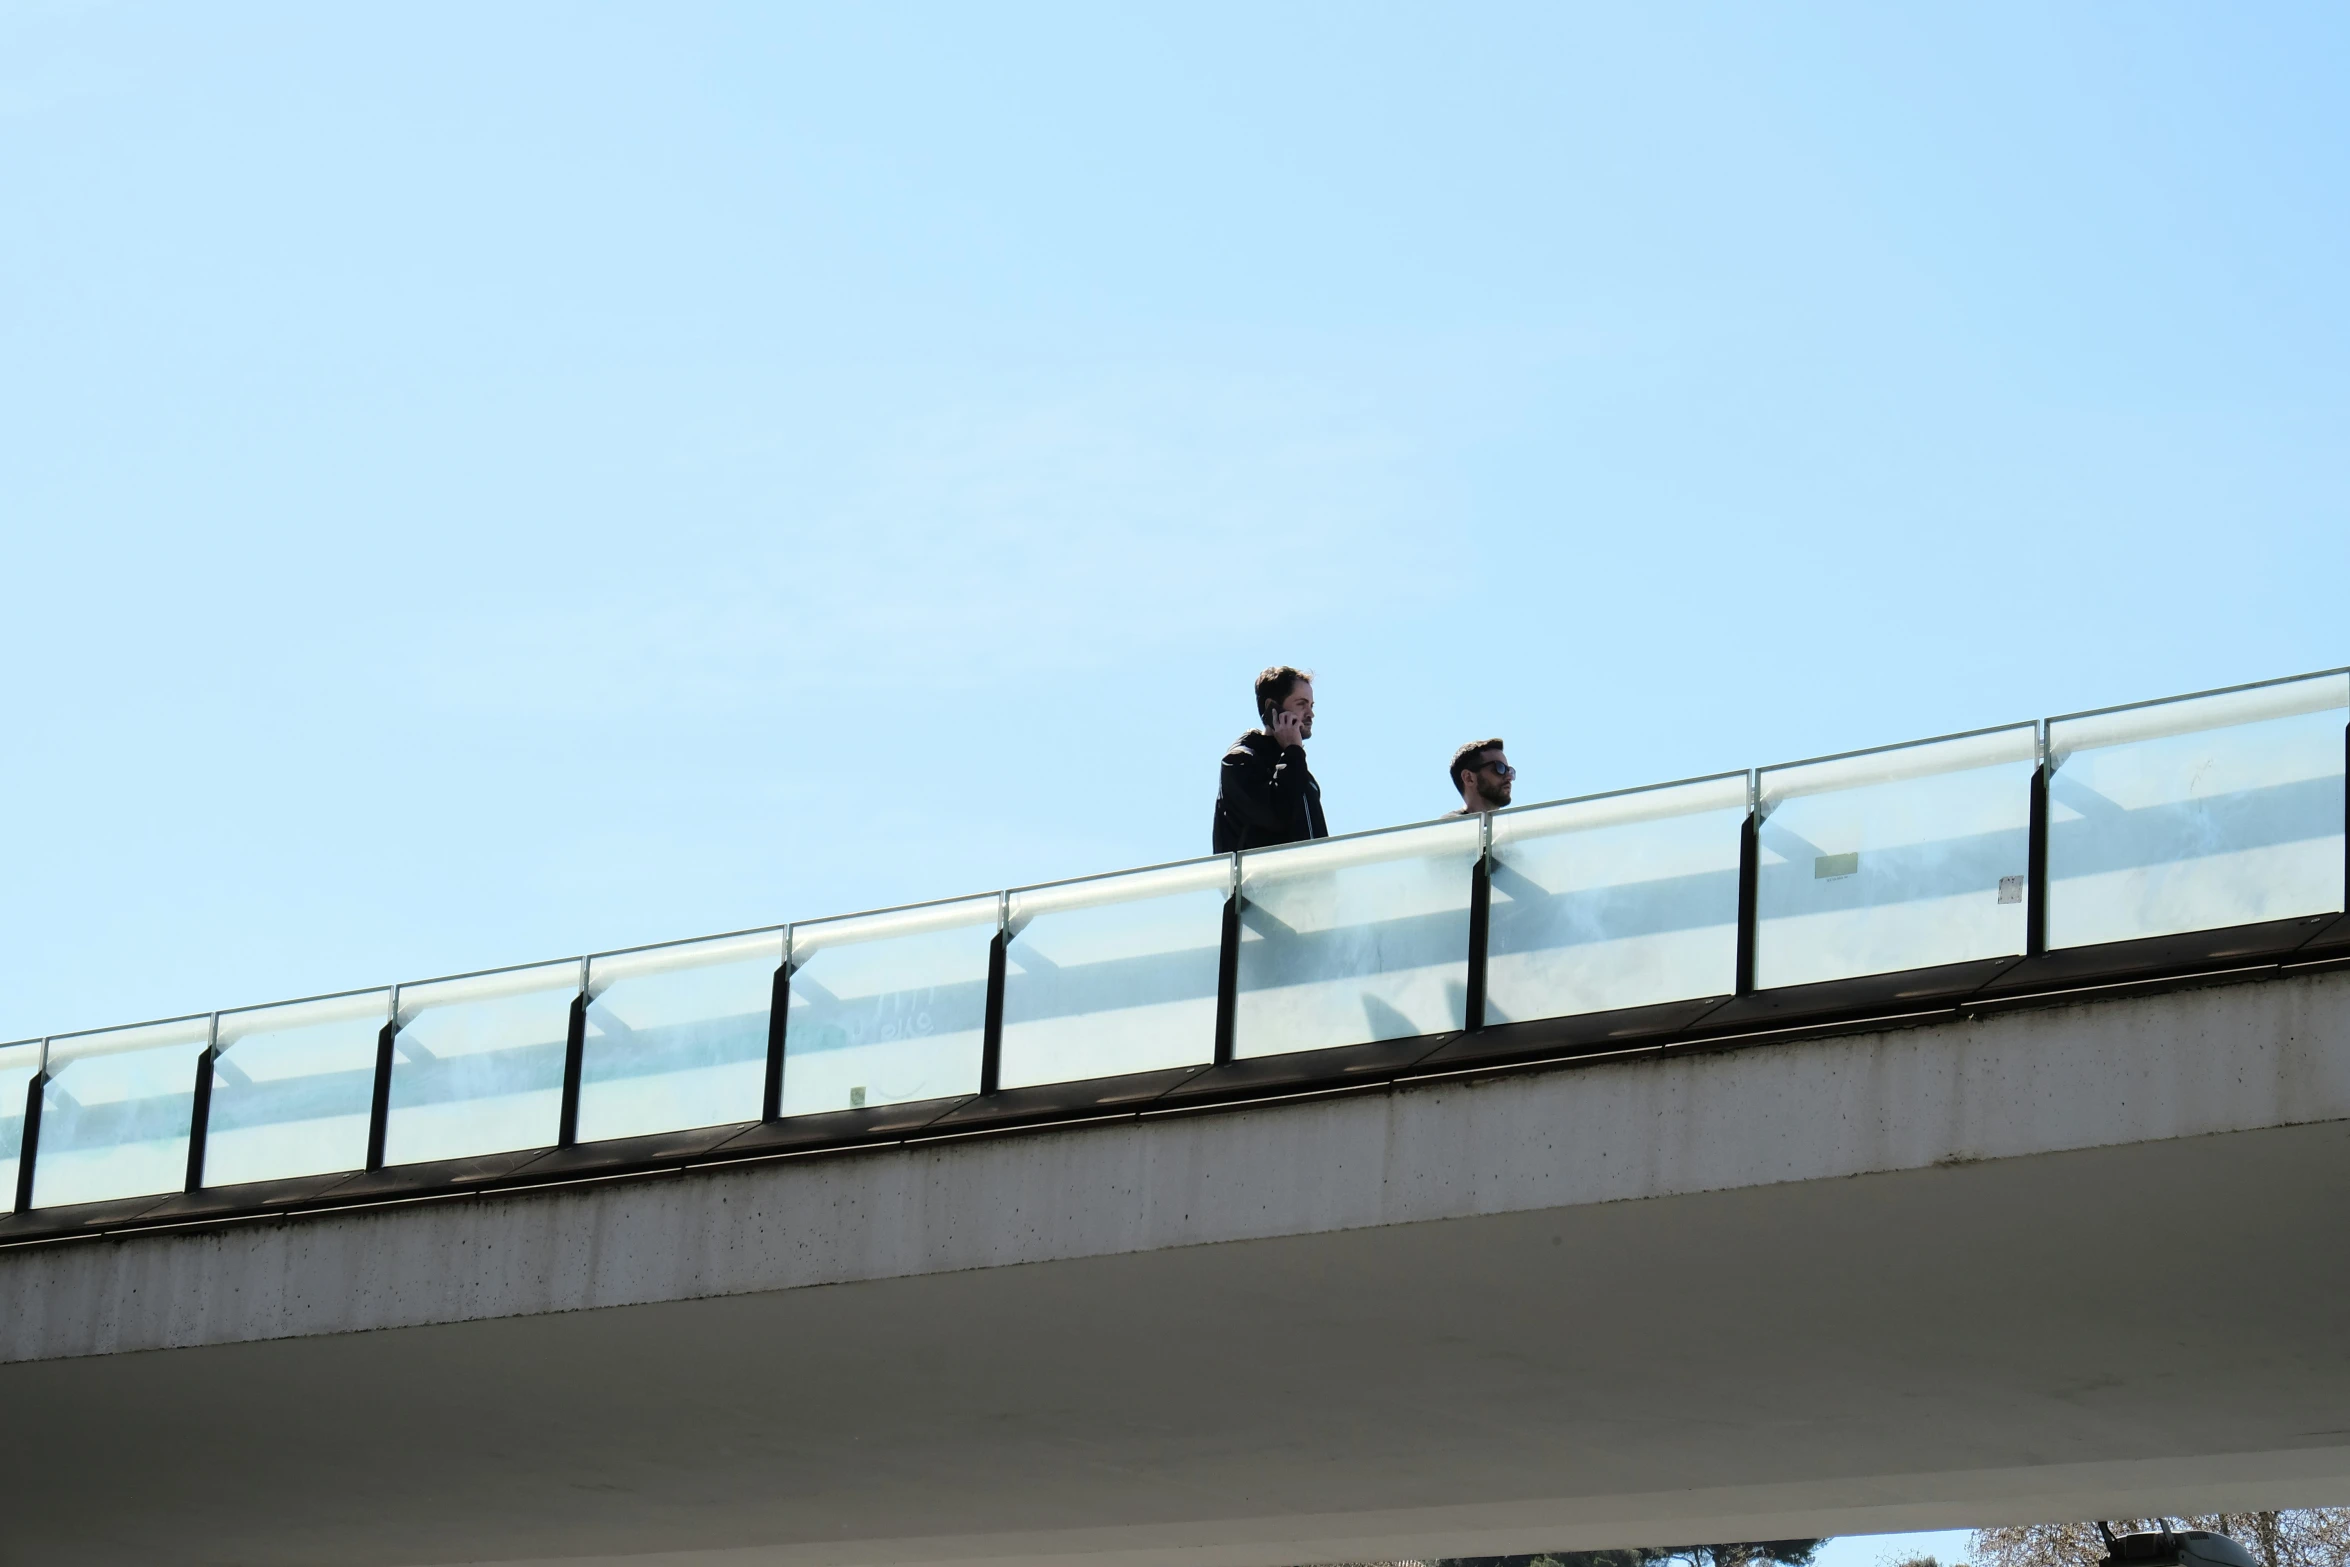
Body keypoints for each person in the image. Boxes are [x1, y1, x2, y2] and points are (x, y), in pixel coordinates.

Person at [1211, 665, 1329, 852]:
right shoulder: (1240, 761)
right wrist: (1292, 750)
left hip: (1308, 880)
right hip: (1260, 881)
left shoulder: (1299, 771)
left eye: (1311, 705)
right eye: (1301, 704)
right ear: (1272, 709)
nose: (1310, 713)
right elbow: (1277, 815)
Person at [1445, 737, 1514, 816]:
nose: (1509, 777)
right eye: (1500, 767)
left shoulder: (1515, 826)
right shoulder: (1449, 826)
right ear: (1469, 778)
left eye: (1509, 770)